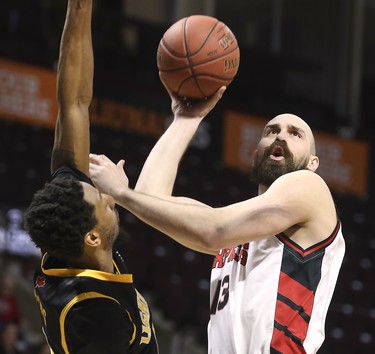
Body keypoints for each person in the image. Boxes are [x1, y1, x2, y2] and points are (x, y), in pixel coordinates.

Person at [89, 88, 346, 352]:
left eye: (295, 133)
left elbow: (212, 229)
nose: (280, 135)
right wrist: (186, 119)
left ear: (313, 163)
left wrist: (121, 193)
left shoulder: (311, 186)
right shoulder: (241, 234)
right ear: (256, 152)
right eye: (270, 131)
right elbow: (150, 198)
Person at [23, 1, 159, 353]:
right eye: (104, 201)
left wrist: (80, 8)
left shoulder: (73, 229)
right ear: (93, 237)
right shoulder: (95, 315)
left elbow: (75, 102)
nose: (110, 195)